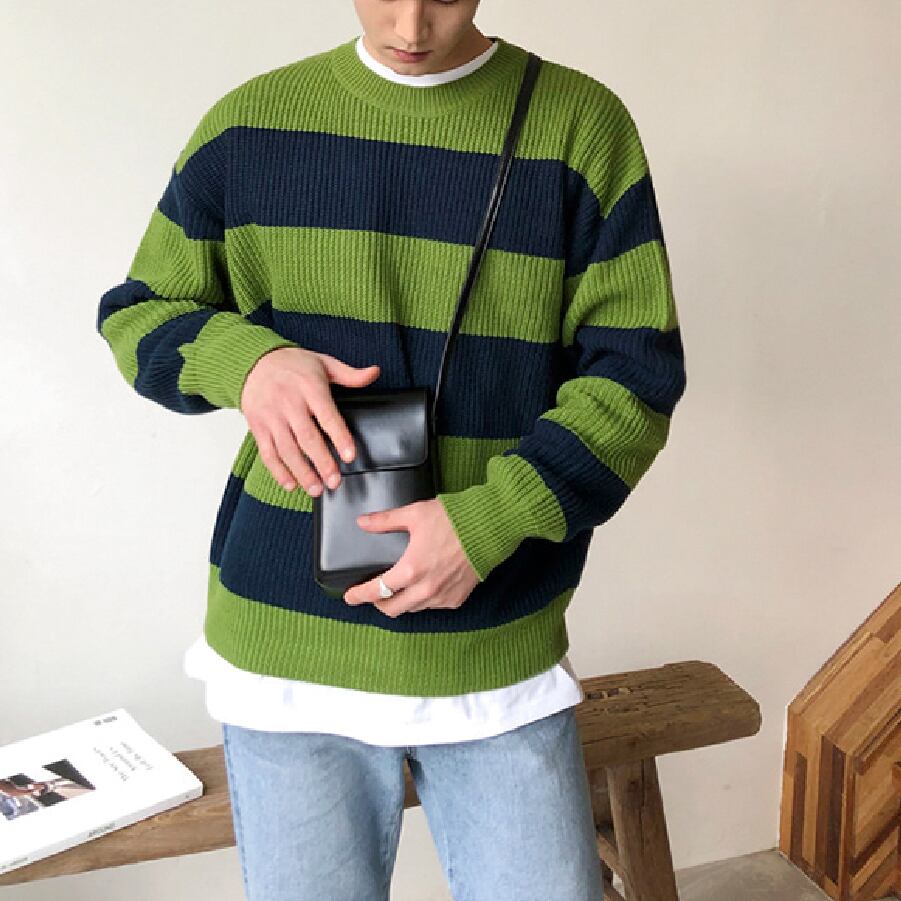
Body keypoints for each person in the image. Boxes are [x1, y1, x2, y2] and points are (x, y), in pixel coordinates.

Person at [96, 1, 686, 898]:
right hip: (284, 649)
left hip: (492, 642)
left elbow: (634, 380)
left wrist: (486, 523)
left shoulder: (579, 127)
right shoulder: (251, 123)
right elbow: (137, 314)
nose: (410, 25)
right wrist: (247, 364)